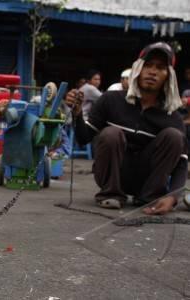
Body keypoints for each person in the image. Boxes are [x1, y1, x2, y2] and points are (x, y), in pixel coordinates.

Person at [65, 42, 187, 215]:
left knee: (174, 136)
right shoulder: (110, 99)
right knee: (111, 133)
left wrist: (173, 197)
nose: (152, 71)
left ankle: (149, 198)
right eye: (148, 65)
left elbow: (181, 163)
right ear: (137, 69)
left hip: (146, 181)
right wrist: (77, 114)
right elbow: (83, 138)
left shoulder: (172, 117)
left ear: (168, 76)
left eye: (160, 68)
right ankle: (111, 194)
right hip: (111, 176)